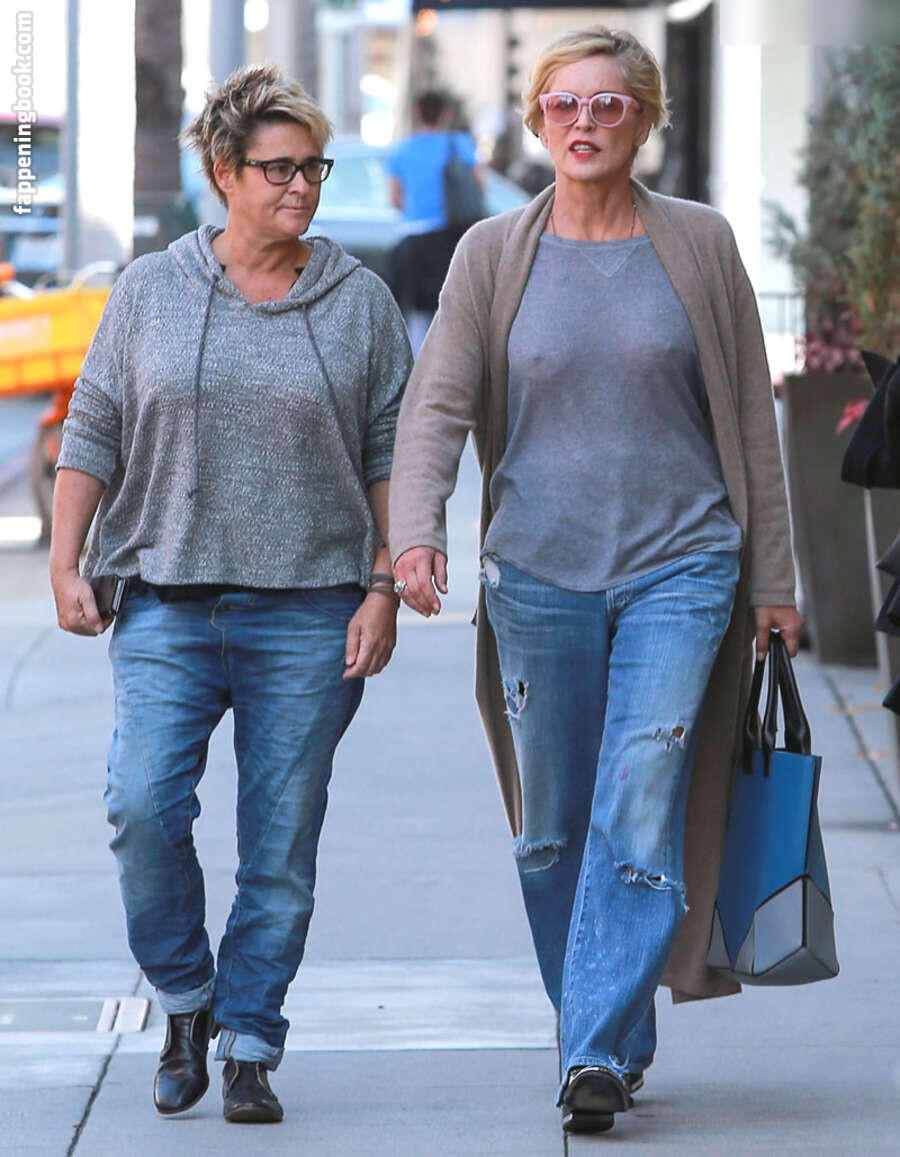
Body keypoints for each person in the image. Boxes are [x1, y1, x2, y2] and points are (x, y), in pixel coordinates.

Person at [389, 26, 802, 1136]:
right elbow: (436, 404)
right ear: (536, 121)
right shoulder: (492, 254)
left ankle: (594, 1051)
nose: (585, 122)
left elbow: (750, 425)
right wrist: (415, 531)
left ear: (645, 117)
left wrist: (774, 576)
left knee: (639, 797)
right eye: (564, 104)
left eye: (609, 104)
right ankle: (608, 1026)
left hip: (684, 565)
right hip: (537, 574)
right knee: (551, 830)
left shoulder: (701, 244)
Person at [49, 64, 411, 1125]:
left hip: (312, 607)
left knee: (280, 845)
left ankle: (251, 1037)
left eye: (313, 169)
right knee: (142, 808)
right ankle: (185, 997)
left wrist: (384, 584)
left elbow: (393, 453)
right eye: (278, 168)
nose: (300, 187)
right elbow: (94, 425)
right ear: (224, 172)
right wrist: (66, 560)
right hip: (165, 598)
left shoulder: (358, 302)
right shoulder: (149, 289)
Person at [387, 90, 483, 350]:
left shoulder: (401, 150)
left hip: (413, 238)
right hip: (450, 236)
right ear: (446, 113)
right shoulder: (459, 144)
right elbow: (479, 186)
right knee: (450, 308)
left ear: (417, 113)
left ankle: (421, 366)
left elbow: (395, 198)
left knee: (417, 313)